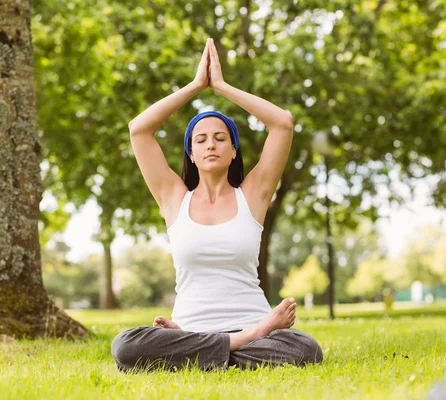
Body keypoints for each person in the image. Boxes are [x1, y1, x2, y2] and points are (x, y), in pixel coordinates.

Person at [111, 38, 323, 372]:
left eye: (221, 138)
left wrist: (221, 87)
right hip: (210, 330)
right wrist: (196, 86)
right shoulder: (174, 199)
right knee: (126, 346)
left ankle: (203, 353)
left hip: (249, 330)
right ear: (191, 155)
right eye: (201, 139)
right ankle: (228, 346)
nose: (211, 144)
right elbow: (139, 130)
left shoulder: (252, 196)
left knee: (305, 349)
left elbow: (282, 122)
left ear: (234, 150)